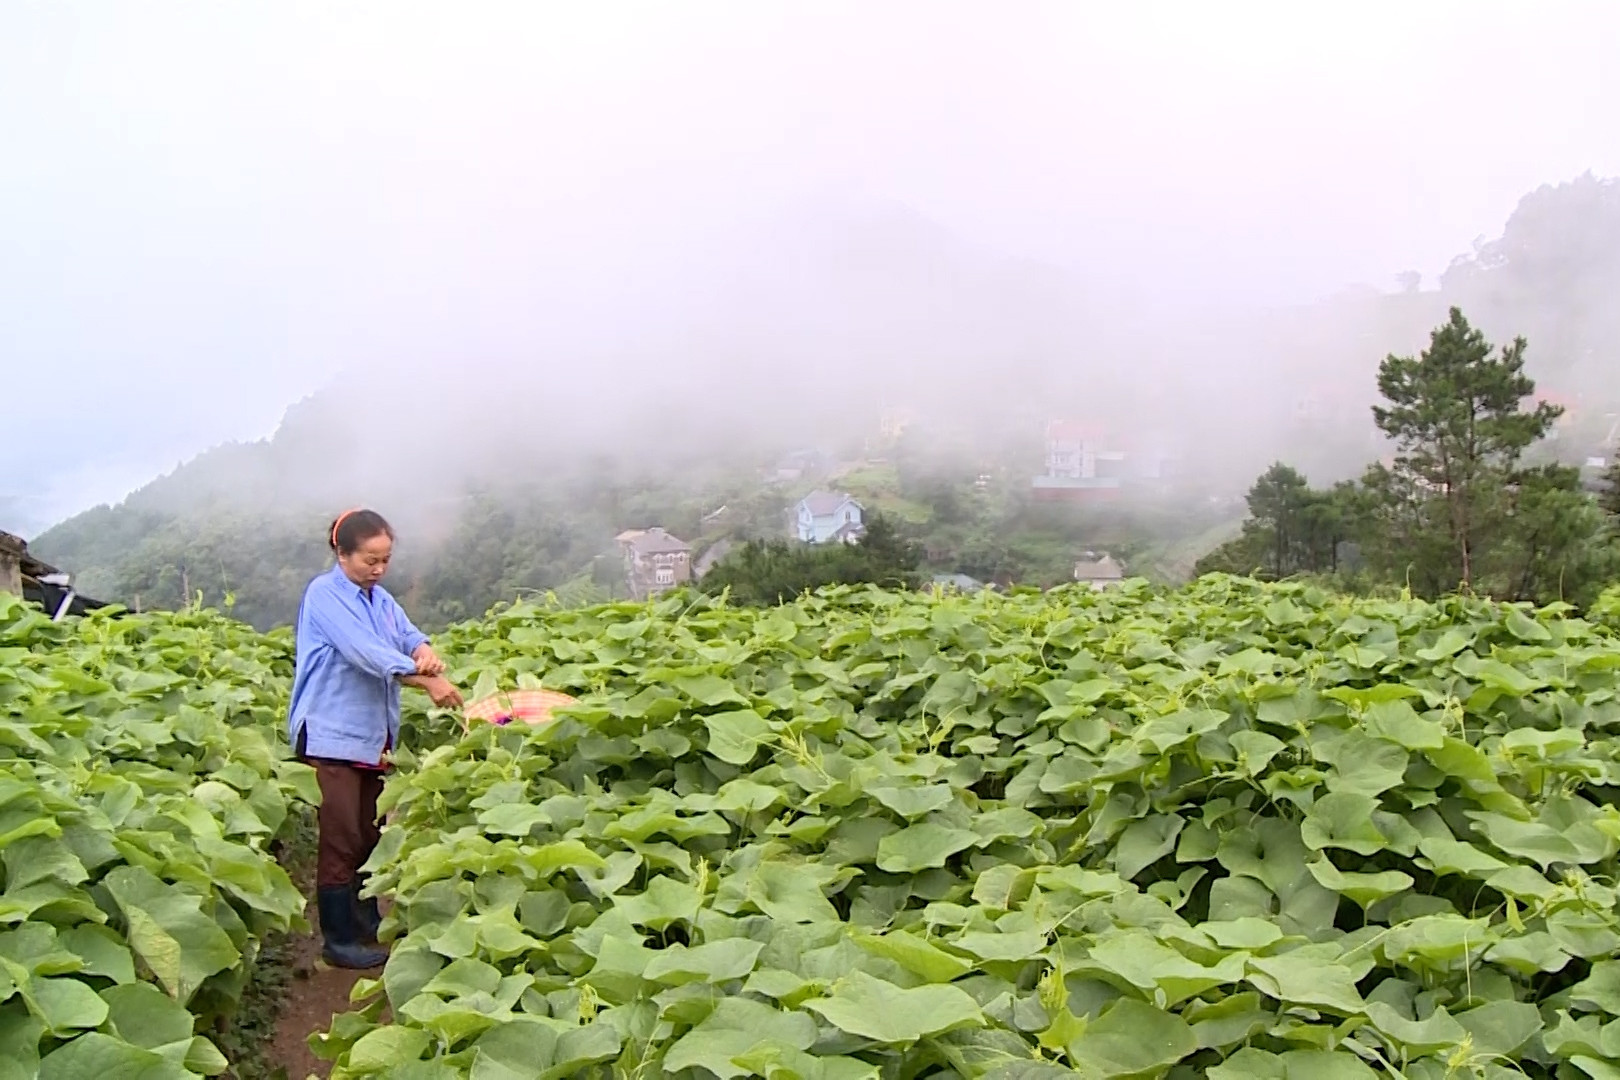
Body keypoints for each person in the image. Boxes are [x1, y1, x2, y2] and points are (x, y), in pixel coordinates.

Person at [287, 508, 463, 969]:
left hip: (370, 736)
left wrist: (424, 651)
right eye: (369, 560)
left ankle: (366, 921)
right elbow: (367, 654)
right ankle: (338, 939)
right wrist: (427, 683)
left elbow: (405, 635)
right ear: (341, 553)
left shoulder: (379, 599)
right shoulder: (324, 595)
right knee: (342, 836)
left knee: (369, 833)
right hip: (331, 735)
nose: (378, 569)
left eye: (385, 559)